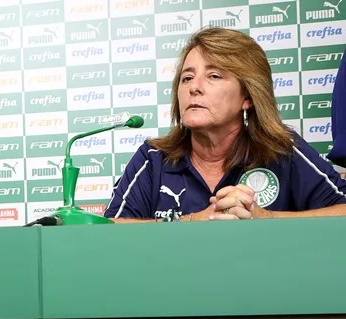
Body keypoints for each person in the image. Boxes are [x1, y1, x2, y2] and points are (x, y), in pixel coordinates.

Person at [105, 28, 346, 222]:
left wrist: (267, 218)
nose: (194, 87)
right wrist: (190, 221)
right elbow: (111, 229)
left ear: (247, 97)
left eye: (214, 76)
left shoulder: (282, 150)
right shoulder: (153, 157)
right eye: (187, 78)